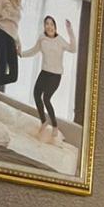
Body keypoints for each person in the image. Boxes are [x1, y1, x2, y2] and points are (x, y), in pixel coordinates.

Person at [19, 15, 76, 143]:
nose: (49, 26)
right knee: (36, 94)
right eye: (47, 24)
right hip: (44, 73)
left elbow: (73, 49)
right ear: (44, 26)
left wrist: (70, 31)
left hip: (55, 75)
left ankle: (54, 125)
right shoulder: (42, 38)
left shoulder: (60, 40)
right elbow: (34, 51)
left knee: (46, 98)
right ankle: (44, 121)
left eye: (51, 24)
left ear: (55, 27)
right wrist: (21, 54)